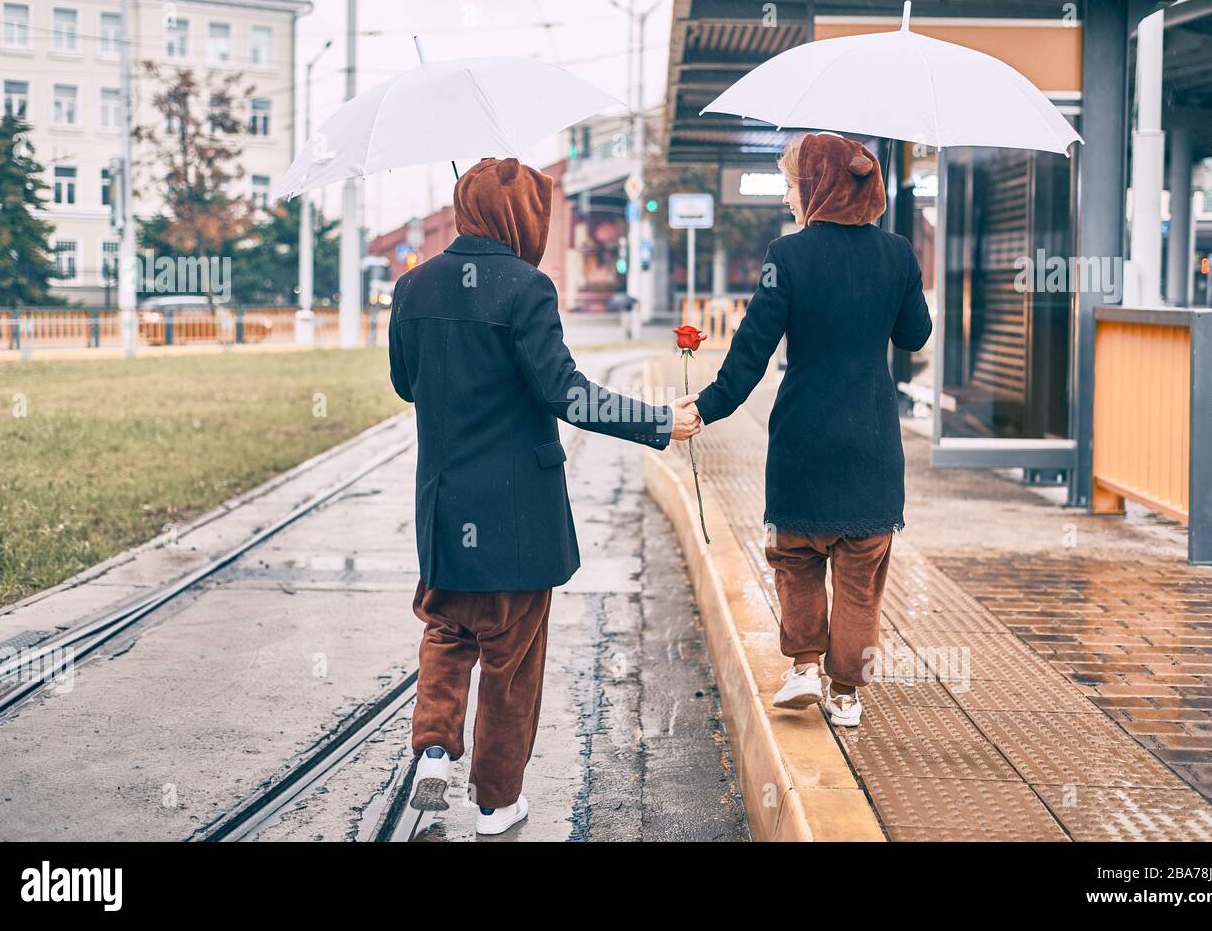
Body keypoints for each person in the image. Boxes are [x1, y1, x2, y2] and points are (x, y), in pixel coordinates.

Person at [387, 157, 701, 835]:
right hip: (517, 519)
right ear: (524, 217)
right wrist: (657, 421)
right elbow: (568, 394)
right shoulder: (526, 289)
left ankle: (434, 749)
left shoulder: (413, 288)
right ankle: (497, 803)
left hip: (445, 513)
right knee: (510, 659)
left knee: (447, 630)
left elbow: (406, 384)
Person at [689, 132, 931, 728]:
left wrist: (707, 407)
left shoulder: (788, 256)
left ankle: (803, 666)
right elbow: (915, 336)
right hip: (872, 442)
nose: (791, 198)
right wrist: (898, 283)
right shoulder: (898, 254)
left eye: (794, 185)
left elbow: (751, 349)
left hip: (802, 438)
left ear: (818, 186)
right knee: (860, 571)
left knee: (795, 557)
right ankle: (846, 692)